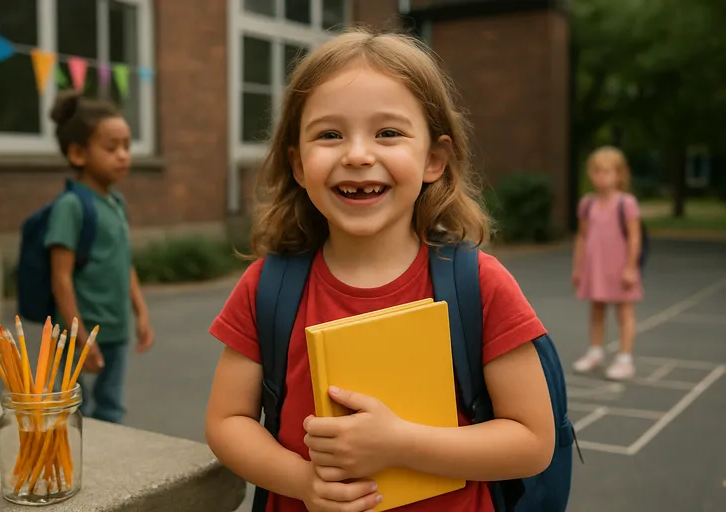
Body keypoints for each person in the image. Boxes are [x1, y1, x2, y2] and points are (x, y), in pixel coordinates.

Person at [205, 28, 554, 512]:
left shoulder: (479, 284)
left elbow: (532, 441)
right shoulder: (268, 286)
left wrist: (400, 443)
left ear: (434, 158)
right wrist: (305, 482)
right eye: (329, 134)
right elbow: (227, 421)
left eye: (388, 132)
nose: (358, 154)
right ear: (299, 165)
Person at [44, 90, 154, 424]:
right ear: (78, 153)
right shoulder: (71, 206)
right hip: (78, 332)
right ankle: (70, 465)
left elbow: (124, 263)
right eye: (111, 148)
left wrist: (141, 312)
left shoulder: (116, 203)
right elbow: (61, 277)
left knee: (111, 407)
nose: (123, 156)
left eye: (126, 146)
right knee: (70, 406)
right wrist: (77, 334)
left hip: (116, 329)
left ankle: (105, 467)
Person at [571, 145, 643, 381]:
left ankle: (625, 358)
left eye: (607, 171)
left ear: (620, 174)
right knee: (597, 309)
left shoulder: (626, 203)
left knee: (624, 312)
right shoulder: (587, 204)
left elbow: (634, 237)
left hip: (620, 267)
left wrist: (631, 267)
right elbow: (582, 236)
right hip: (596, 266)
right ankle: (595, 351)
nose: (600, 176)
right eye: (596, 171)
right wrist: (578, 267)